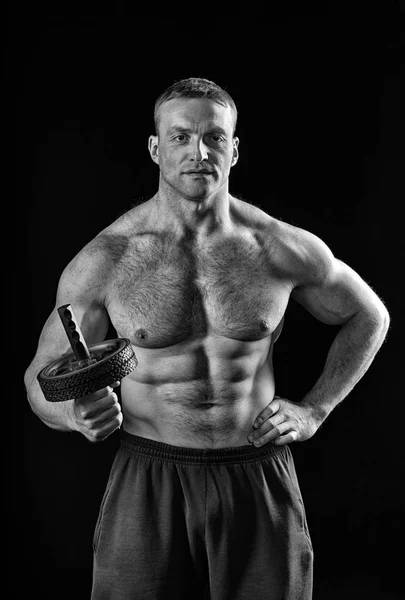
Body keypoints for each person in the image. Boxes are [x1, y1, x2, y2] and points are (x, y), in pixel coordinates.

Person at [24, 77, 390, 600]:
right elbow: (39, 381)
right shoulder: (107, 259)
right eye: (180, 137)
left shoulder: (276, 247)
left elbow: (369, 315)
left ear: (234, 149)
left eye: (214, 138)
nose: (199, 152)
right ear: (155, 148)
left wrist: (315, 410)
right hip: (148, 476)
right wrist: (72, 415)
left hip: (256, 470)